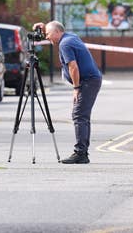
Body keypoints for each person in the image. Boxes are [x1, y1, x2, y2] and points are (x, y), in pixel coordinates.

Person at [33, 20, 102, 164]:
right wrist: (46, 27)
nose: (46, 37)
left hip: (87, 82)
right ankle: (82, 152)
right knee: (82, 116)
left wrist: (76, 88)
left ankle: (80, 153)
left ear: (57, 32)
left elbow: (73, 67)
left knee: (79, 115)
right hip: (91, 80)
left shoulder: (65, 44)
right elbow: (55, 28)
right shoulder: (70, 37)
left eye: (48, 34)